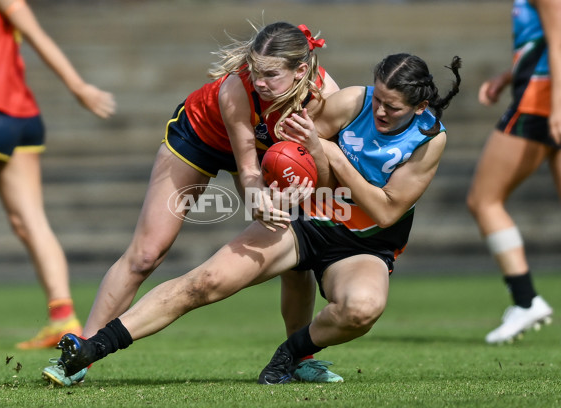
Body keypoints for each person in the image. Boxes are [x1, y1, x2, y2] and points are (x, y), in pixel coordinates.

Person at [42, 53, 462, 385]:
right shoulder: (354, 102)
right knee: (204, 283)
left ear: (420, 106)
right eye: (379, 99)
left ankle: (291, 355)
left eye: (392, 107)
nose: (381, 112)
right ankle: (90, 349)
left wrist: (330, 154)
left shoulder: (430, 139)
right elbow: (297, 153)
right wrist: (294, 170)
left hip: (365, 244)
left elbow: (386, 208)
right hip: (307, 221)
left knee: (362, 309)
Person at [41, 21, 342, 386]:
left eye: (270, 74)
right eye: (254, 70)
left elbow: (325, 167)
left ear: (300, 70)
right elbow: (246, 168)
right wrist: (257, 198)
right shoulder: (237, 87)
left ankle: (300, 358)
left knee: (295, 257)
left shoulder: (326, 97)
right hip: (200, 135)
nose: (259, 82)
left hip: (270, 152)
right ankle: (82, 352)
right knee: (146, 254)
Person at [0, 0, 116, 349]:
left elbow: (37, 36)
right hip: (22, 120)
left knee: (29, 221)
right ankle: (62, 318)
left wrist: (78, 87)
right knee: (28, 221)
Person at [466, 0, 558, 344]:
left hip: (540, 100)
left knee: (484, 199)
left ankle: (525, 300)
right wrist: (507, 76)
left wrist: (558, 106)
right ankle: (525, 301)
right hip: (541, 94)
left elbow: (559, 36)